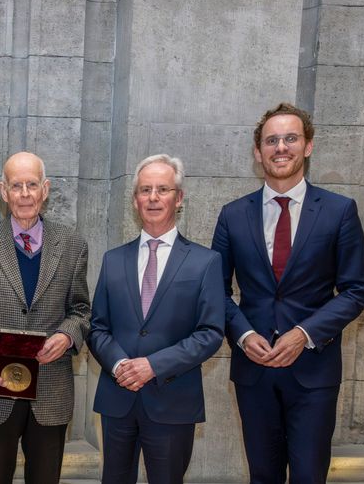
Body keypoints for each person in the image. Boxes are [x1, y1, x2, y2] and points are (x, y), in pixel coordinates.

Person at [211, 103, 364, 483]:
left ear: (308, 146)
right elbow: (213, 291)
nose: (281, 147)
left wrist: (304, 334)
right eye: (271, 140)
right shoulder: (233, 215)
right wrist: (244, 334)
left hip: (314, 372)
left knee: (309, 475)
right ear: (258, 152)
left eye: (290, 138)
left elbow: (355, 290)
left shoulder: (339, 211)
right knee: (262, 475)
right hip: (254, 370)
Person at [0, 151, 91, 484]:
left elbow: (81, 309)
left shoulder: (72, 244)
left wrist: (68, 335)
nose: (25, 194)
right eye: (16, 186)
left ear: (45, 189)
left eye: (32, 185)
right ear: (3, 191)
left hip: (50, 388)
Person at [88, 154, 225, 483]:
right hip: (117, 398)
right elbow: (98, 328)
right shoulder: (113, 260)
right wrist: (120, 364)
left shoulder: (205, 263)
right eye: (145, 190)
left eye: (162, 189)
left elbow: (210, 333)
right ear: (135, 200)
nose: (152, 197)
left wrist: (153, 365)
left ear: (178, 198)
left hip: (172, 400)